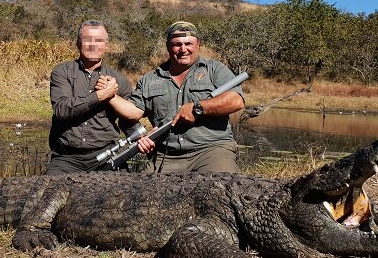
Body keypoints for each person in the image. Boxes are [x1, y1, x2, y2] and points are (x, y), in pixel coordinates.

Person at [97, 21, 245, 173]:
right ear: (168, 46)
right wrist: (110, 95)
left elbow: (236, 101)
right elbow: (134, 112)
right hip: (165, 155)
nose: (183, 49)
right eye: (177, 44)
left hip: (211, 151)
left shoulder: (215, 69)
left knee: (221, 189)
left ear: (198, 45)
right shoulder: (150, 78)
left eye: (188, 43)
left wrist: (198, 108)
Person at [46, 20, 137, 174]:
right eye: (87, 39)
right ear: (78, 43)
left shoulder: (119, 80)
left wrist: (142, 137)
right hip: (66, 159)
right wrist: (100, 96)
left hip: (107, 157)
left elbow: (127, 122)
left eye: (99, 40)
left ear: (106, 46)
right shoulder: (62, 72)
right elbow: (62, 109)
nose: (93, 45)